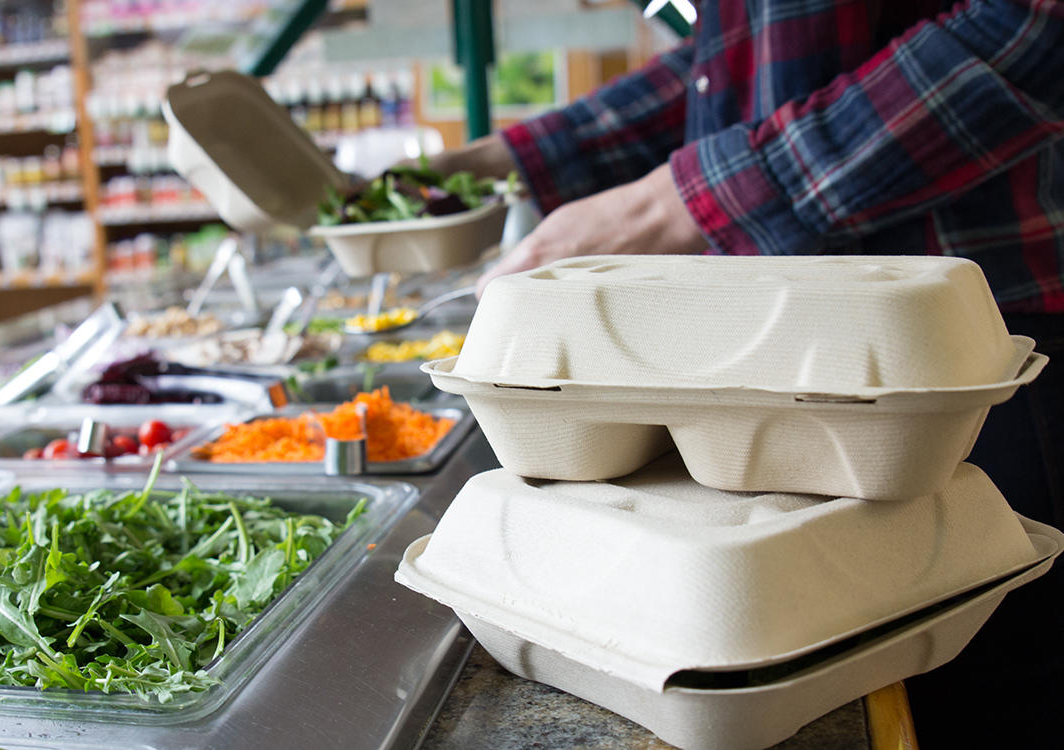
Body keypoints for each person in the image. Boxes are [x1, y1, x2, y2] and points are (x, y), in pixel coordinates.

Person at [428, 1, 1064, 746]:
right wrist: (510, 155)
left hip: (952, 361)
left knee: (998, 694)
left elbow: (1029, 26)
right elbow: (723, 65)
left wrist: (673, 204)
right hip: (774, 347)